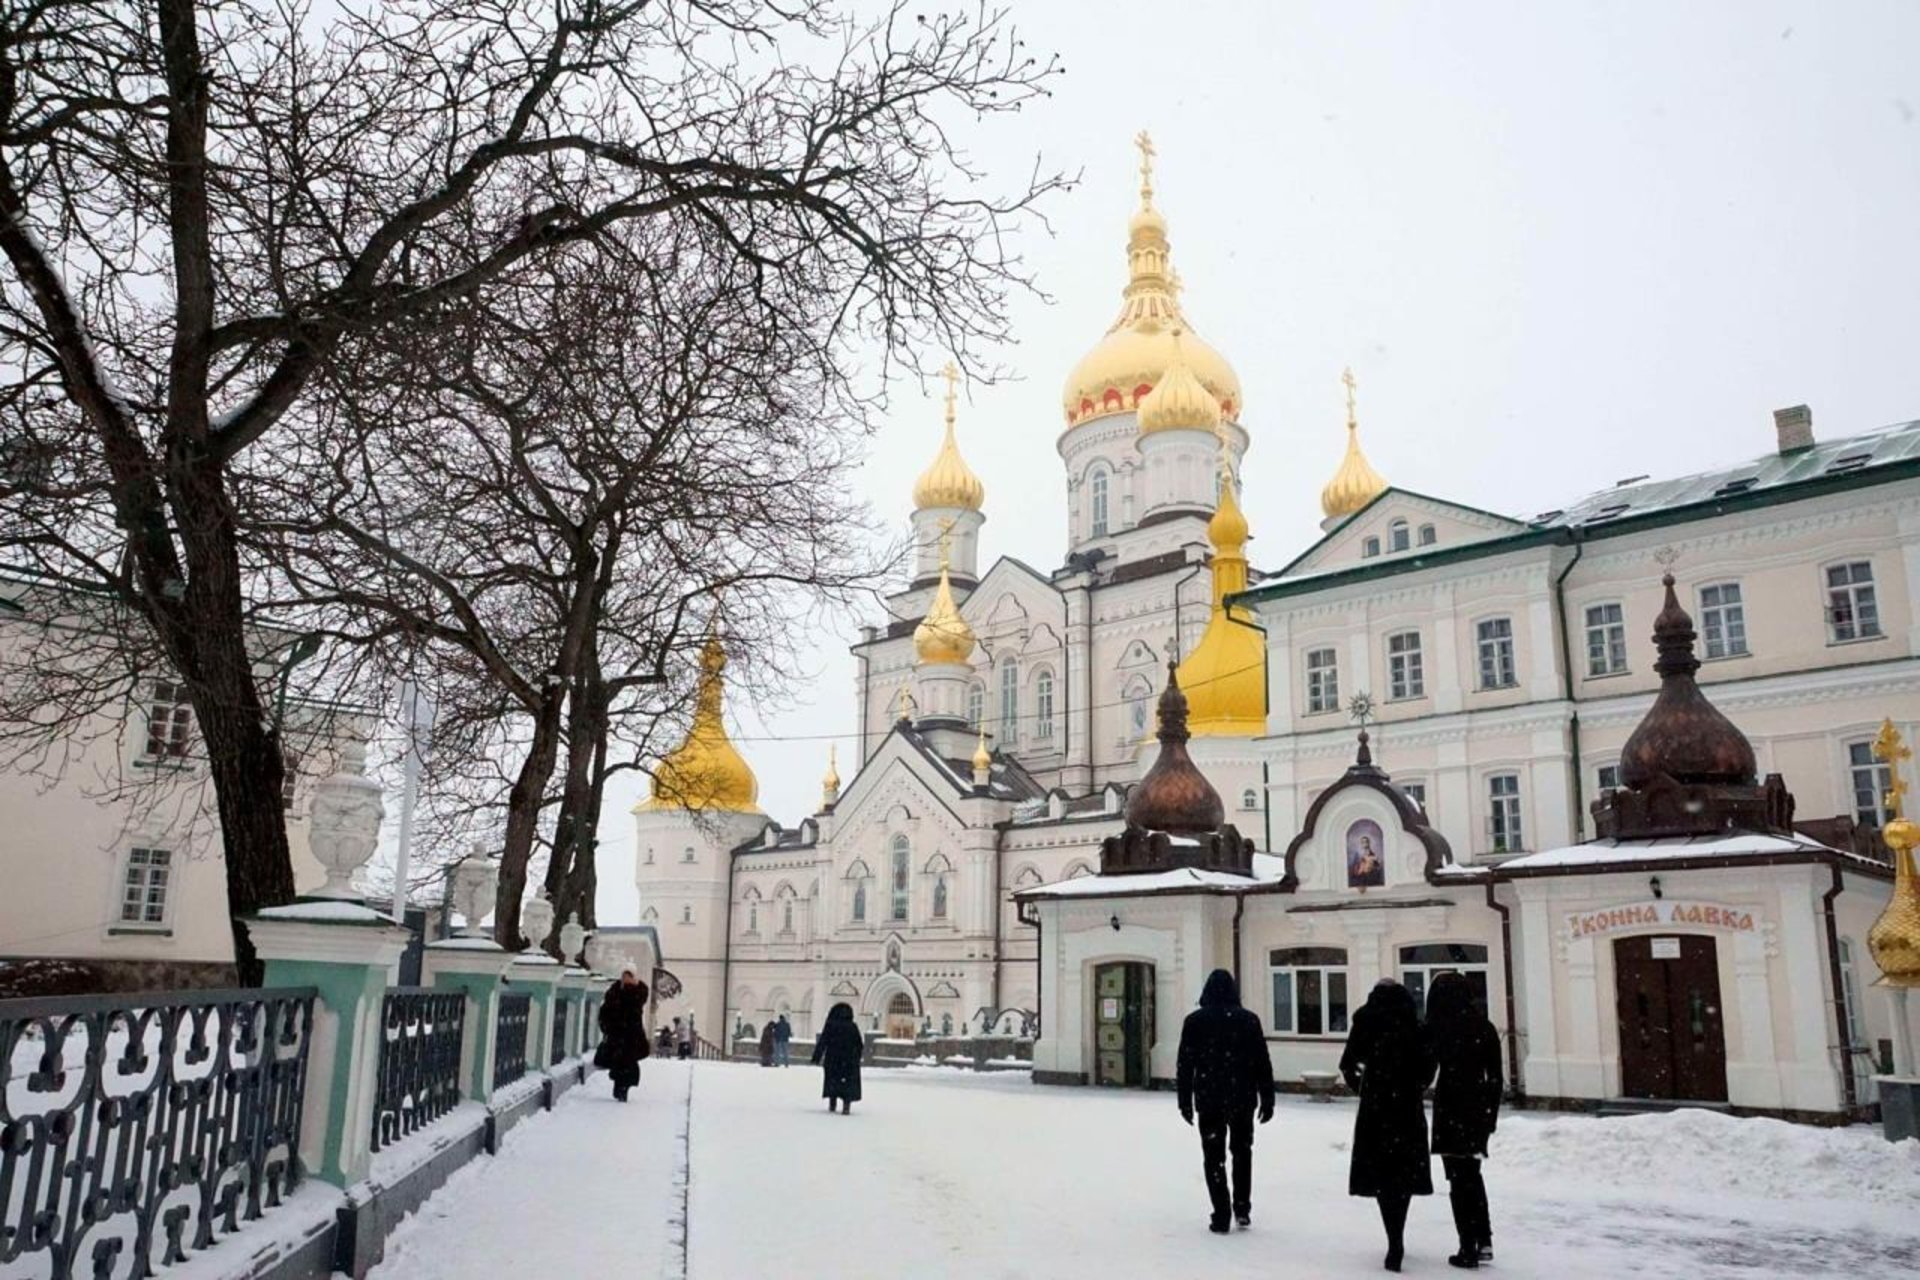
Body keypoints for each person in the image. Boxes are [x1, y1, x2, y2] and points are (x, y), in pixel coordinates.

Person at [1340, 979, 1437, 1272]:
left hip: (1376, 1110)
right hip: (1407, 1108)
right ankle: (1399, 1232)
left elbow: (1347, 1064)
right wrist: (1415, 1087)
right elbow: (1428, 1066)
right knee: (1403, 1173)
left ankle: (1393, 1237)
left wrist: (1365, 1088)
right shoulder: (1414, 1025)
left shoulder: (1365, 1021)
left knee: (1382, 1174)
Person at [1175, 969, 1276, 1234]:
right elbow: (1262, 1062)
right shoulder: (1248, 1020)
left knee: (1213, 1156)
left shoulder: (1195, 1021)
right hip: (1242, 1097)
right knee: (1242, 1153)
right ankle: (1242, 1207)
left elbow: (1185, 1064)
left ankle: (1221, 1213)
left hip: (1210, 1098)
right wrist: (1268, 1097)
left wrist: (1184, 1100)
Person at [1425, 973, 1503, 1269]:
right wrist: (1490, 1116)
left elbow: (1427, 1069)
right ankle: (1483, 1239)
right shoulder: (1484, 1027)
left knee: (1458, 1180)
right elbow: (1496, 1078)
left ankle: (1467, 1246)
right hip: (1476, 1109)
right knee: (1472, 1175)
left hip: (1450, 1109)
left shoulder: (1441, 1029)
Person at [595, 965, 650, 1102]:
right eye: (624, 976)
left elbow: (637, 1004)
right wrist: (606, 1026)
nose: (626, 979)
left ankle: (624, 1087)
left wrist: (632, 988)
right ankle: (619, 1086)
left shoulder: (638, 992)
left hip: (632, 1035)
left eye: (629, 976)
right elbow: (605, 1010)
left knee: (628, 1063)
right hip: (617, 1034)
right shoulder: (615, 991)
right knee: (618, 1063)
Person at [811, 1001, 865, 1114]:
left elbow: (823, 1041)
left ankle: (832, 1102)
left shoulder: (831, 1025)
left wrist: (816, 1057)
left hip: (833, 1059)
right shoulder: (852, 1026)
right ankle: (846, 1105)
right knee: (847, 1085)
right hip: (849, 1060)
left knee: (833, 1081)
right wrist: (857, 1057)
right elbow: (859, 1044)